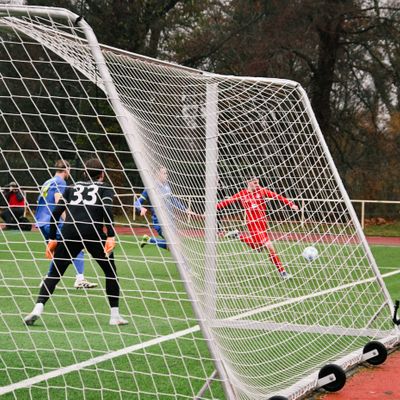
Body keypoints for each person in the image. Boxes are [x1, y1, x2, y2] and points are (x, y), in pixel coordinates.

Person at [24, 158, 128, 326]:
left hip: (69, 232)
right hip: (92, 232)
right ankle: (114, 316)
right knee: (110, 273)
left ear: (84, 173)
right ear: (102, 174)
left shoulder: (71, 187)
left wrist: (52, 238)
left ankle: (37, 308)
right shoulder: (105, 188)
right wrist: (110, 235)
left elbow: (55, 213)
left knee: (54, 273)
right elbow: (107, 210)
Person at [216, 176, 299, 279]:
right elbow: (227, 202)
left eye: (258, 183)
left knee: (258, 248)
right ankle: (283, 273)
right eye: (255, 183)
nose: (257, 185)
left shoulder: (262, 191)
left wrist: (291, 204)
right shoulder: (242, 194)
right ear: (248, 182)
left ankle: (239, 236)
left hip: (263, 225)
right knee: (269, 246)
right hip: (253, 225)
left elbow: (277, 196)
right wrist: (213, 208)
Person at [35, 160, 97, 289]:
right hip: (54, 222)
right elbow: (59, 202)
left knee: (59, 252)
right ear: (66, 169)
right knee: (77, 245)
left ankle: (48, 280)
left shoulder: (48, 182)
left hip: (42, 222)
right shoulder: (60, 182)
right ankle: (80, 279)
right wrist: (69, 221)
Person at [134, 166, 196, 250]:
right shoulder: (150, 187)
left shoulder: (166, 186)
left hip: (170, 221)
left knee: (173, 246)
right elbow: (137, 202)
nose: (166, 175)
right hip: (160, 222)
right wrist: (140, 208)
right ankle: (149, 240)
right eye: (164, 173)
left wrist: (185, 210)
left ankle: (149, 240)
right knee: (175, 246)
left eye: (166, 173)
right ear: (157, 174)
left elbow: (173, 200)